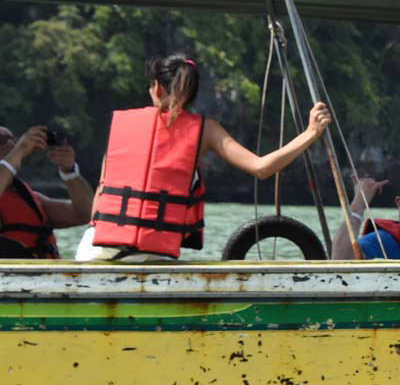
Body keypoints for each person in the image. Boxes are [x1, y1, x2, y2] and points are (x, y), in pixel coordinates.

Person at [79, 54, 330, 261]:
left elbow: (101, 194)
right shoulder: (205, 129)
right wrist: (310, 133)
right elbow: (261, 167)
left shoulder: (122, 125)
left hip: (96, 250)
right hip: (153, 254)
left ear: (156, 87)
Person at [0, 124, 94, 258]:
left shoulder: (32, 199)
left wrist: (69, 172)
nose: (10, 144)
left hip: (47, 277)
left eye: (12, 139)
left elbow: (86, 214)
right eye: (1, 140)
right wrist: (20, 150)